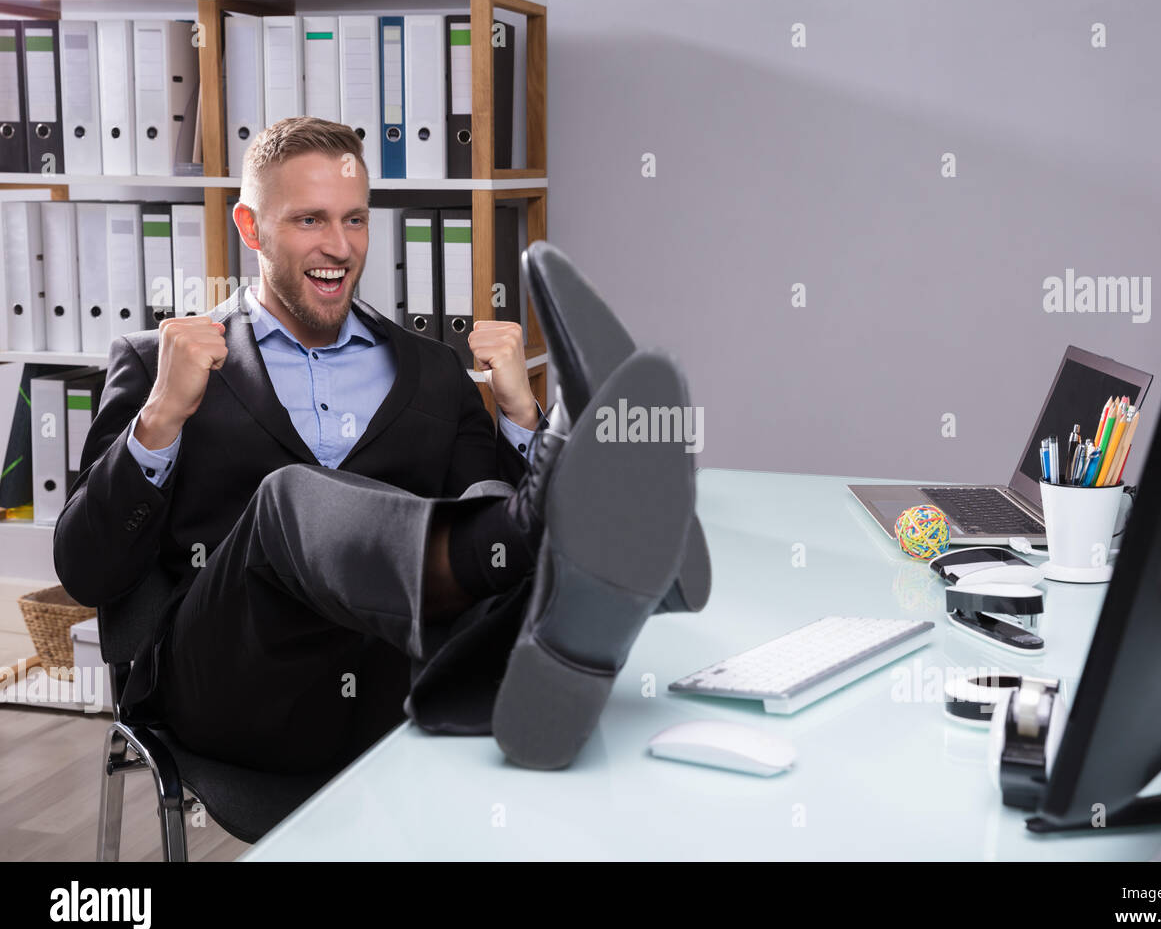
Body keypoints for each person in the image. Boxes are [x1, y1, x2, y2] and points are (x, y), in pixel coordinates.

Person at [53, 117, 700, 774]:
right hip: (231, 687)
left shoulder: (434, 372)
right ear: (250, 229)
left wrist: (520, 414)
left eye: (355, 220)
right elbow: (87, 570)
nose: (340, 247)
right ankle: (576, 536)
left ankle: (566, 595)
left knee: (486, 502)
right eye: (310, 221)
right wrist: (162, 416)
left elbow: (484, 509)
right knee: (292, 499)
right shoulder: (155, 362)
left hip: (395, 676)